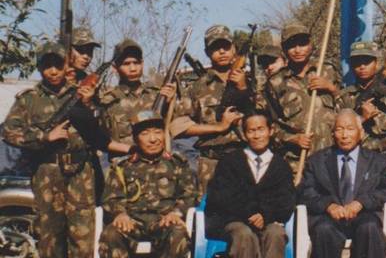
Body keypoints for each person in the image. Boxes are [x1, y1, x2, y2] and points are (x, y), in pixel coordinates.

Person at [2, 40, 104, 258]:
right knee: (49, 236)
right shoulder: (29, 100)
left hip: (80, 171)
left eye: (57, 65)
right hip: (47, 172)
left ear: (66, 65)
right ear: (40, 68)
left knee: (82, 236)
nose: (53, 71)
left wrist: (90, 103)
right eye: (46, 66)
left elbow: (103, 129)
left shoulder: (83, 93)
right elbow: (9, 132)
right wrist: (45, 136)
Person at [298, 109, 386, 258]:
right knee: (324, 231)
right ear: (332, 133)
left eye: (350, 129)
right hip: (330, 217)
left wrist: (362, 202)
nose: (345, 135)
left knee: (370, 229)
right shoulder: (317, 161)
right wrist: (328, 205)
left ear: (360, 133)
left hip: (362, 215)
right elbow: (305, 192)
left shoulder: (376, 161)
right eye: (340, 129)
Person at [99, 110, 197, 258]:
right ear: (135, 138)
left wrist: (176, 212)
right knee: (110, 234)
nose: (153, 139)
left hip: (164, 221)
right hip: (132, 222)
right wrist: (120, 213)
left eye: (157, 132)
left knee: (179, 232)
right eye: (145, 134)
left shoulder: (177, 163)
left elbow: (190, 194)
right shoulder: (122, 167)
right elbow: (110, 198)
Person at [205, 111, 296, 258]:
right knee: (243, 235)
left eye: (261, 130)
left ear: (271, 131)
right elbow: (221, 196)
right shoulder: (230, 161)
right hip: (234, 220)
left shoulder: (280, 165)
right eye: (251, 131)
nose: (256, 136)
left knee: (275, 234)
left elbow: (287, 199)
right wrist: (249, 213)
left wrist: (266, 213)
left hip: (268, 219)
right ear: (244, 134)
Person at [169, 25, 248, 193]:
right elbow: (177, 127)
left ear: (234, 49)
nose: (221, 52)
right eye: (215, 48)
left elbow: (264, 116)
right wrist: (218, 127)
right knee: (209, 214)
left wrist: (243, 88)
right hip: (210, 163)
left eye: (226, 47)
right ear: (207, 53)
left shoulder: (252, 81)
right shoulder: (197, 88)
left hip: (245, 159)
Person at [265, 22, 342, 177]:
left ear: (310, 44)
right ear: (284, 49)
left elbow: (347, 109)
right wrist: (292, 138)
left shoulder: (328, 70)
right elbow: (270, 126)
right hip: (297, 162)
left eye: (303, 43)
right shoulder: (275, 83)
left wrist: (331, 89)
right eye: (292, 45)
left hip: (332, 158)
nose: (298, 50)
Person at [338, 40, 386, 195]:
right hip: (360, 166)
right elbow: (338, 137)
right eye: (357, 62)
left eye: (367, 61)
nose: (362, 66)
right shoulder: (346, 97)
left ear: (376, 63)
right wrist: (361, 119)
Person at [99, 38, 172, 155]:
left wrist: (169, 104)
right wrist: (131, 150)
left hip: (157, 166)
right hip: (124, 167)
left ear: (142, 63)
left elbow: (172, 129)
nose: (133, 68)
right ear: (115, 67)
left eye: (136, 63)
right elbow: (100, 141)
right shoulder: (107, 101)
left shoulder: (158, 95)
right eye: (126, 64)